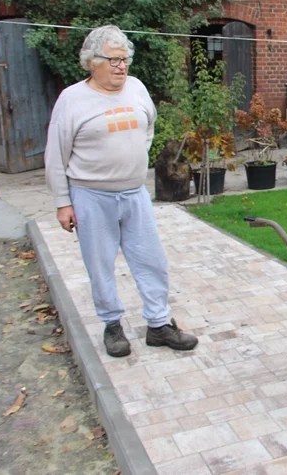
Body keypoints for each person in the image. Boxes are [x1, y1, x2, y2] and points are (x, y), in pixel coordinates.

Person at [44, 25, 197, 357]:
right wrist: (62, 202)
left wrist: (129, 161)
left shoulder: (137, 89)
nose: (121, 66)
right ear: (91, 61)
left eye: (125, 58)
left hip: (134, 194)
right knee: (100, 264)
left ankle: (158, 325)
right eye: (113, 60)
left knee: (151, 260)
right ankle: (112, 324)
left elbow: (148, 126)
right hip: (91, 197)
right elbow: (56, 155)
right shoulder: (72, 99)